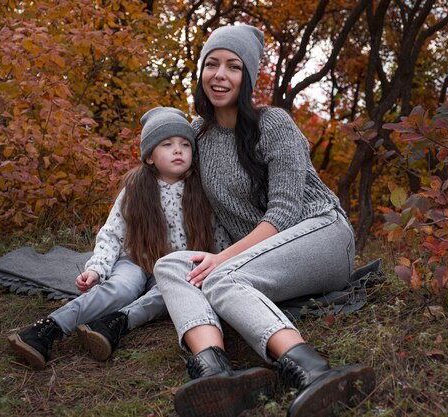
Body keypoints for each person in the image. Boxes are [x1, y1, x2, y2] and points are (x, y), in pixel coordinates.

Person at [153, 24, 376, 417]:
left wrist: (222, 260)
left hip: (321, 235)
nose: (220, 75)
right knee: (170, 266)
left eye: (233, 66)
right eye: (212, 64)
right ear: (201, 71)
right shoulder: (198, 138)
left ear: (248, 77)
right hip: (260, 259)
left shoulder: (272, 123)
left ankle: (314, 371)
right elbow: (162, 180)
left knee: (222, 275)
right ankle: (215, 373)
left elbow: (285, 212)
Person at [8, 107, 228, 369]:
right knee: (122, 287)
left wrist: (219, 266)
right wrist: (97, 269)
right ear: (149, 157)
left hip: (176, 270)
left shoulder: (202, 191)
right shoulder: (136, 189)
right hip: (136, 260)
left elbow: (219, 237)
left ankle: (115, 323)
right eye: (167, 144)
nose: (178, 150)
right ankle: (48, 329)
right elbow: (111, 234)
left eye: (185, 144)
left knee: (173, 292)